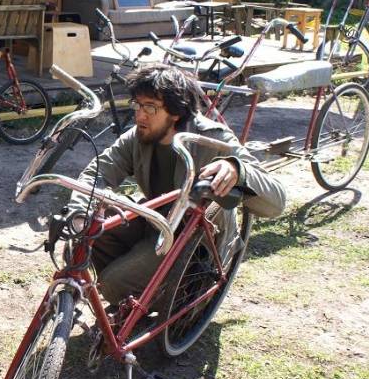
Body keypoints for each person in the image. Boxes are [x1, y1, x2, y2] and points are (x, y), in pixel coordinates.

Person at [69, 64, 286, 305]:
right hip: (157, 226)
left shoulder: (211, 138)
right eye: (137, 105)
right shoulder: (139, 135)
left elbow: (276, 203)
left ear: (175, 111)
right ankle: (135, 299)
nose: (139, 115)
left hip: (192, 243)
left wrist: (237, 169)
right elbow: (98, 172)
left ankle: (170, 300)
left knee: (112, 283)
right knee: (93, 227)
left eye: (150, 107)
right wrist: (81, 213)